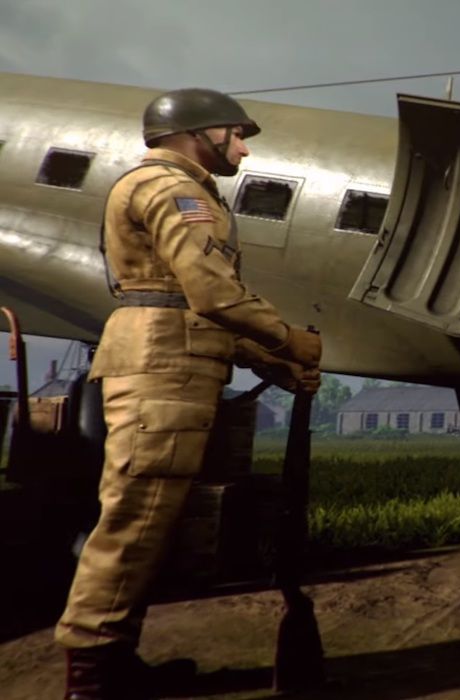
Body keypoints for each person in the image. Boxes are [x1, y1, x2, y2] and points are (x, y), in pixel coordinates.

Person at [56, 88, 322, 700]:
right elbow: (212, 296)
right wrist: (289, 342)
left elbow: (186, 305)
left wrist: (269, 359)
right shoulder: (176, 191)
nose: (245, 148)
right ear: (200, 134)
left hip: (169, 361)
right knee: (133, 521)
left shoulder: (176, 191)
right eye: (237, 134)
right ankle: (92, 682)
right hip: (161, 372)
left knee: (148, 523)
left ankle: (113, 661)